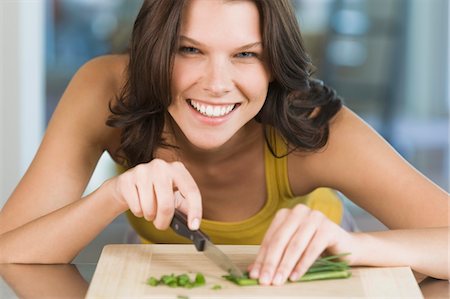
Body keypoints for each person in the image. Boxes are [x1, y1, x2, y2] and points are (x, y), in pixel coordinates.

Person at [0, 0, 448, 286]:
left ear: (274, 65)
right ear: (154, 50)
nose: (216, 84)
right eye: (189, 50)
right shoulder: (104, 87)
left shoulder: (312, 126)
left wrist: (362, 248)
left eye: (246, 54)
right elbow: (9, 252)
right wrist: (112, 195)